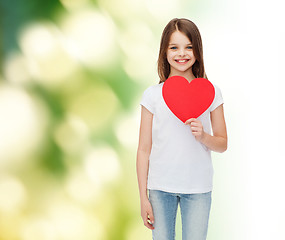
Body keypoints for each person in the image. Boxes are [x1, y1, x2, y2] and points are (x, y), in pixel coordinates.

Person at [136, 18, 228, 240]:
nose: (182, 54)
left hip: (198, 188)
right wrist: (143, 197)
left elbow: (223, 143)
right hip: (160, 187)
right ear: (164, 52)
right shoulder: (152, 95)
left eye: (189, 47)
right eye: (174, 47)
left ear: (197, 50)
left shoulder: (211, 92)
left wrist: (203, 136)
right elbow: (143, 149)